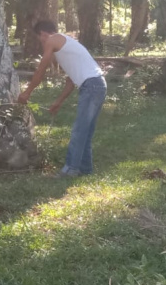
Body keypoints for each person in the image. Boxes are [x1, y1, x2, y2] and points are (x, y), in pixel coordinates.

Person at [17, 20, 107, 177]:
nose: (42, 43)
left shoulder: (53, 39)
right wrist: (58, 102)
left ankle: (70, 169)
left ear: (43, 34)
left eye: (40, 39)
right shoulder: (67, 46)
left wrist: (27, 92)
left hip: (92, 85)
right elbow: (71, 81)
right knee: (85, 130)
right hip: (98, 84)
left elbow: (41, 69)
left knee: (80, 130)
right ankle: (84, 169)